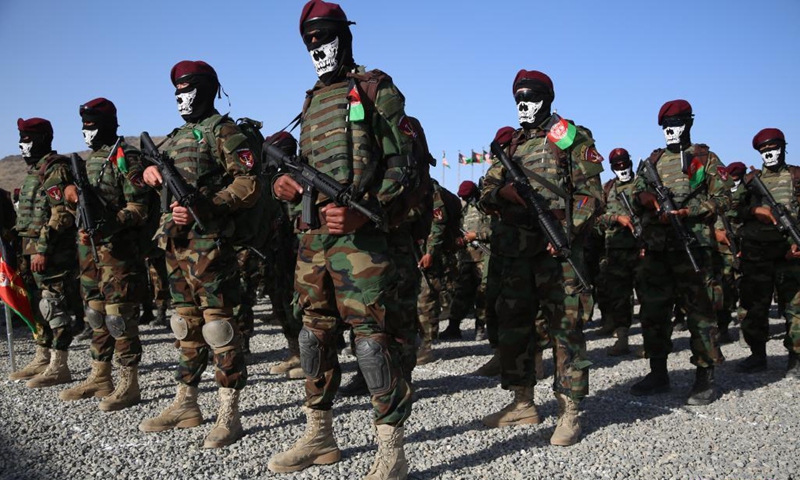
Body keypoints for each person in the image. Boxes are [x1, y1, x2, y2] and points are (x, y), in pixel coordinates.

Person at [268, 2, 413, 478]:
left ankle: (391, 450)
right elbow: (304, 176)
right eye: (309, 41)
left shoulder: (375, 90)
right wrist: (284, 189)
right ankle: (320, 436)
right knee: (314, 335)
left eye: (325, 37)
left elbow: (404, 165)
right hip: (313, 244)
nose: (317, 48)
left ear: (345, 37)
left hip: (363, 242)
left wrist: (361, 211)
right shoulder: (310, 103)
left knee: (372, 343)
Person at [139, 60, 261, 449]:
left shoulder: (223, 131)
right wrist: (149, 173)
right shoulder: (175, 138)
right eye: (176, 91)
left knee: (219, 329)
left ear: (207, 91)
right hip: (174, 246)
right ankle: (186, 403)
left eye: (188, 90)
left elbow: (249, 182)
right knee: (185, 327)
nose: (181, 98)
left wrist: (209, 204)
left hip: (210, 246)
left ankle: (230, 412)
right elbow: (155, 174)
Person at [479, 70, 604, 446]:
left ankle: (570, 411)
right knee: (517, 327)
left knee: (566, 330)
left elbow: (591, 193)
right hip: (517, 251)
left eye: (531, 98)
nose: (524, 106)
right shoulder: (512, 145)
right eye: (518, 99)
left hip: (558, 251)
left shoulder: (568, 135)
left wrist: (567, 229)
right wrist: (504, 193)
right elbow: (485, 192)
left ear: (547, 99)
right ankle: (522, 403)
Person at [631, 99, 729, 405]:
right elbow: (635, 195)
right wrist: (651, 203)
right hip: (659, 249)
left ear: (688, 124)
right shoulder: (653, 161)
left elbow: (724, 198)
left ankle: (705, 377)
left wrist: (691, 210)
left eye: (677, 125)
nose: (671, 132)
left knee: (700, 312)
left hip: (693, 247)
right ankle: (658, 371)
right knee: (654, 312)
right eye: (666, 127)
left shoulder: (705, 159)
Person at [59, 98, 152, 411]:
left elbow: (139, 207)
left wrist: (111, 223)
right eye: (84, 124)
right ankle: (101, 375)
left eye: (93, 124)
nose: (87, 130)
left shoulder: (126, 157)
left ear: (110, 123)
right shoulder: (91, 160)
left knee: (119, 318)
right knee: (96, 313)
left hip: (118, 253)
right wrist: (73, 201)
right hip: (90, 252)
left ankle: (129, 382)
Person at [9, 117, 80, 388]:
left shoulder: (55, 169)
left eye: (27, 139)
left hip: (50, 250)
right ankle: (43, 354)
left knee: (53, 304)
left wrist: (42, 249)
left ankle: (59, 365)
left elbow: (60, 213)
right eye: (21, 139)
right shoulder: (34, 171)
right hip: (29, 248)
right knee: (36, 303)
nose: (22, 145)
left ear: (40, 140)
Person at [735, 128, 800, 378]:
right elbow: (732, 210)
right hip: (758, 255)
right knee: (755, 308)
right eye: (764, 150)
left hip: (789, 255)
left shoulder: (795, 176)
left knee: (795, 308)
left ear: (783, 147)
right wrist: (754, 212)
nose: (769, 153)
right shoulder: (751, 183)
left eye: (773, 148)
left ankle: (795, 358)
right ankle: (757, 355)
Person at [594, 148, 640, 356]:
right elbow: (597, 217)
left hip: (642, 248)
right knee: (620, 296)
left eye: (624, 163)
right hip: (615, 250)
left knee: (649, 296)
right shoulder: (608, 189)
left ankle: (652, 340)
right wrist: (615, 219)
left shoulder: (642, 185)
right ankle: (622, 338)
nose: (621, 168)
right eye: (617, 165)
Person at [416, 180, 462, 363]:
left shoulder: (433, 191)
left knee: (425, 298)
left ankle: (426, 346)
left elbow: (438, 224)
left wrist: (430, 252)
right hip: (422, 251)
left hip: (435, 255)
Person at [440, 180, 492, 341]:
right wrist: (460, 240)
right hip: (466, 258)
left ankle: (480, 327)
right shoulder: (463, 210)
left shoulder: (486, 209)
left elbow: (495, 231)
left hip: (485, 257)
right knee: (461, 293)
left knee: (483, 293)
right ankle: (453, 326)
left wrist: (477, 236)